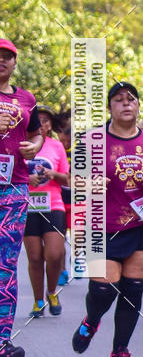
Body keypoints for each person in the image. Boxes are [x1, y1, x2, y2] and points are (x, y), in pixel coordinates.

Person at [71, 82, 143, 357]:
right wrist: (87, 184)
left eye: (131, 99)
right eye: (118, 100)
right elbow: (73, 180)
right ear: (109, 108)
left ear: (139, 105)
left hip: (141, 226)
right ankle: (91, 321)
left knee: (133, 289)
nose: (126, 104)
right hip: (101, 226)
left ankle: (120, 351)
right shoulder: (91, 140)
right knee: (104, 289)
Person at [0, 38, 43, 357]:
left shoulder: (26, 98)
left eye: (7, 57)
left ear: (15, 63)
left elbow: (38, 133)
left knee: (6, 264)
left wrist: (34, 146)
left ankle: (2, 340)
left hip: (14, 186)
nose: (1, 61)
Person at [23, 105, 70, 317]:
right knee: (34, 257)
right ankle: (38, 301)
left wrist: (52, 174)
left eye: (46, 120)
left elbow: (68, 179)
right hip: (28, 207)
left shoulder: (57, 146)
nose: (42, 124)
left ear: (51, 124)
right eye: (38, 120)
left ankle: (52, 292)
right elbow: (10, 174)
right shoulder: (21, 145)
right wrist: (27, 178)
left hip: (53, 206)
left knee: (54, 255)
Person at [55, 110, 72, 287]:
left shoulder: (80, 153)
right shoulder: (56, 150)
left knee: (79, 236)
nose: (63, 140)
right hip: (59, 200)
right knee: (59, 241)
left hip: (77, 201)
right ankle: (61, 270)